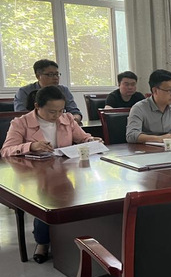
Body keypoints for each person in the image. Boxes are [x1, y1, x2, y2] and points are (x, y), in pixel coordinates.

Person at [1, 85, 102, 263]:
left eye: (60, 110)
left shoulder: (67, 119)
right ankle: (42, 242)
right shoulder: (21, 123)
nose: (57, 116)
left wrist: (91, 140)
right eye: (51, 111)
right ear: (37, 106)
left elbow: (82, 137)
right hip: (34, 175)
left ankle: (75, 238)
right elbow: (6, 150)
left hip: (64, 171)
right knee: (47, 200)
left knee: (79, 196)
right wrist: (31, 146)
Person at [126, 69, 171, 143]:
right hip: (148, 148)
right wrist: (160, 138)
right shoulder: (139, 108)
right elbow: (131, 135)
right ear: (155, 91)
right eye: (169, 90)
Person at [13, 59, 82, 122]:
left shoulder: (63, 90)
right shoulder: (24, 91)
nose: (55, 78)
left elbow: (74, 112)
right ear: (38, 76)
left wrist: (74, 119)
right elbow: (21, 115)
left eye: (57, 74)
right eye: (50, 75)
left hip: (60, 125)